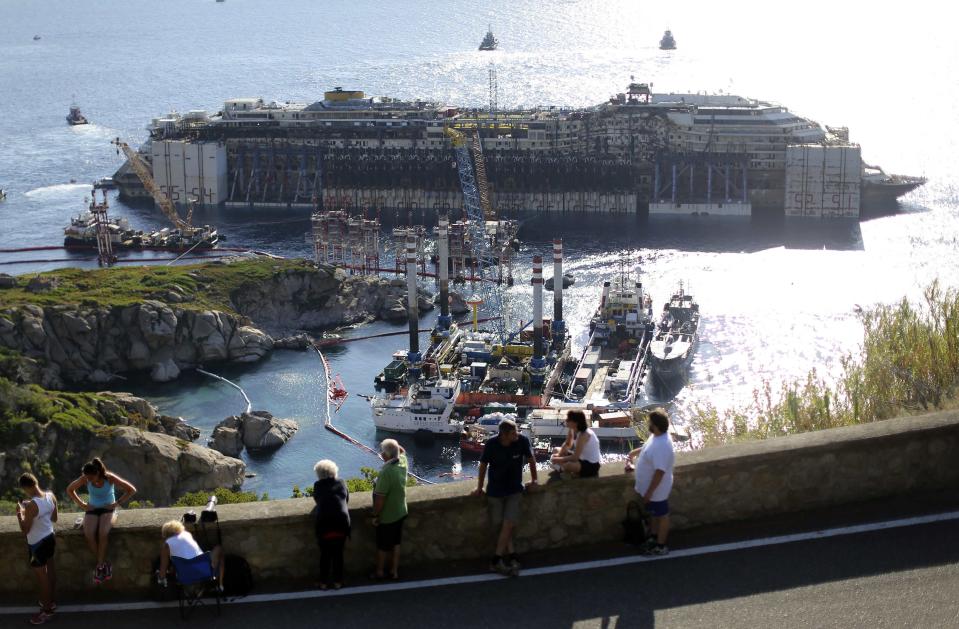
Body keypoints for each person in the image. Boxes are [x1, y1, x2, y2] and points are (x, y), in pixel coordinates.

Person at [471, 418, 539, 576]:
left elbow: (531, 460)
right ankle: (512, 555)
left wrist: (535, 480)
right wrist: (480, 487)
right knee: (501, 525)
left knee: (508, 523)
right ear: (504, 434)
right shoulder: (491, 444)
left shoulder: (522, 441)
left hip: (514, 490)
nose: (517, 434)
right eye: (513, 432)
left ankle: (495, 561)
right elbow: (483, 466)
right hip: (495, 491)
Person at [65, 458, 137, 584]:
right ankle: (103, 564)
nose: (88, 480)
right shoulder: (85, 478)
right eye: (86, 477)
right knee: (89, 534)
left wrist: (117, 503)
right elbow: (70, 489)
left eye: (90, 478)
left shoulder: (109, 478)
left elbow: (131, 490)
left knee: (103, 533)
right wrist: (82, 504)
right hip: (92, 508)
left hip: (108, 508)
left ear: (97, 473)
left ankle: (99, 566)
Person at [626, 408, 676, 555]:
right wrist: (632, 453)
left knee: (662, 516)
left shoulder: (662, 446)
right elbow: (647, 448)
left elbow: (660, 472)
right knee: (654, 514)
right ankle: (654, 538)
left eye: (650, 422)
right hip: (652, 490)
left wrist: (649, 492)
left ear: (656, 425)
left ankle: (661, 546)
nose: (648, 424)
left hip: (657, 491)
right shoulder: (657, 436)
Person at [16, 473, 58, 626]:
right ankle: (51, 602)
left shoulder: (32, 505)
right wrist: (32, 510)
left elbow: (25, 530)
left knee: (42, 579)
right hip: (49, 538)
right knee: (51, 571)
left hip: (37, 544)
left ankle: (46, 611)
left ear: (25, 488)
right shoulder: (50, 496)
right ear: (36, 482)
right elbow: (54, 518)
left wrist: (19, 514)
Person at [370, 439, 408, 580]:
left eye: (383, 451)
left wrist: (375, 515)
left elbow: (380, 499)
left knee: (382, 545)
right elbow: (402, 451)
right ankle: (394, 571)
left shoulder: (386, 472)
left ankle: (380, 572)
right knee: (396, 542)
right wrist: (394, 446)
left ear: (386, 455)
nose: (380, 453)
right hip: (401, 510)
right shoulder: (403, 462)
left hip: (388, 515)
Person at [313, 459, 350, 590]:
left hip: (325, 525)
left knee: (325, 555)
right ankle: (338, 582)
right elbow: (346, 499)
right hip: (341, 523)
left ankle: (323, 583)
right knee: (338, 554)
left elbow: (317, 500)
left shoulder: (318, 485)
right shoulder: (342, 483)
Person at [156, 520, 225, 589]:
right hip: (205, 572)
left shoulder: (166, 545)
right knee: (219, 548)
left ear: (165, 533)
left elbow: (163, 568)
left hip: (185, 576)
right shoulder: (187, 534)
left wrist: (161, 579)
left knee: (176, 562)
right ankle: (220, 584)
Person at [550, 410, 602, 478]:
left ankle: (562, 468)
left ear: (575, 422)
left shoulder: (584, 435)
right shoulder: (572, 429)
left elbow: (575, 457)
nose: (566, 420)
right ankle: (563, 469)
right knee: (556, 450)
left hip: (591, 464)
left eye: (568, 419)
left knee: (568, 465)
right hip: (581, 458)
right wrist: (559, 455)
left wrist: (559, 459)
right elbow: (568, 444)